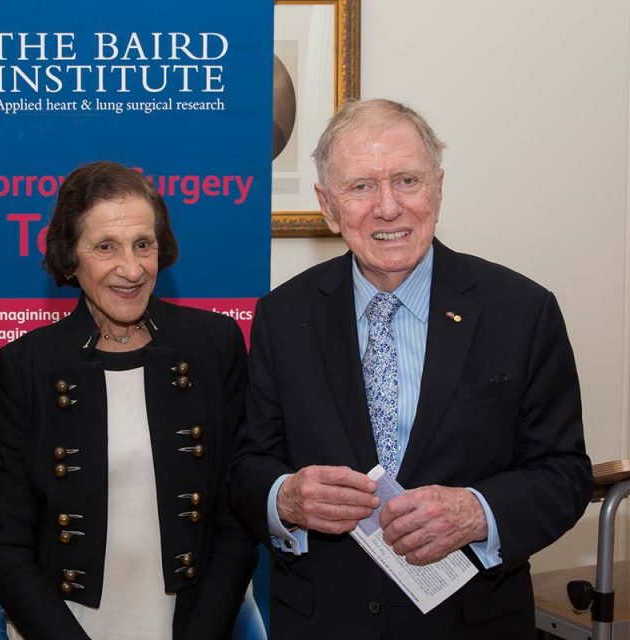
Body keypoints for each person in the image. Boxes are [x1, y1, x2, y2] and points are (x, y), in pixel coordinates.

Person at [228, 99, 593, 639]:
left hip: (473, 624)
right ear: (328, 206)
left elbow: (565, 472)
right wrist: (285, 498)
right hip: (322, 622)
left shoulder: (522, 311)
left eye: (407, 180)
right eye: (360, 187)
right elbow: (246, 464)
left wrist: (477, 511)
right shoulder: (283, 316)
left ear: (438, 189)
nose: (388, 207)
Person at [0, 161, 257, 639]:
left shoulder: (213, 346)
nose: (132, 269)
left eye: (143, 245)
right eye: (106, 247)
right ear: (70, 257)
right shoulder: (29, 366)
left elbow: (237, 524)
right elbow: (6, 545)